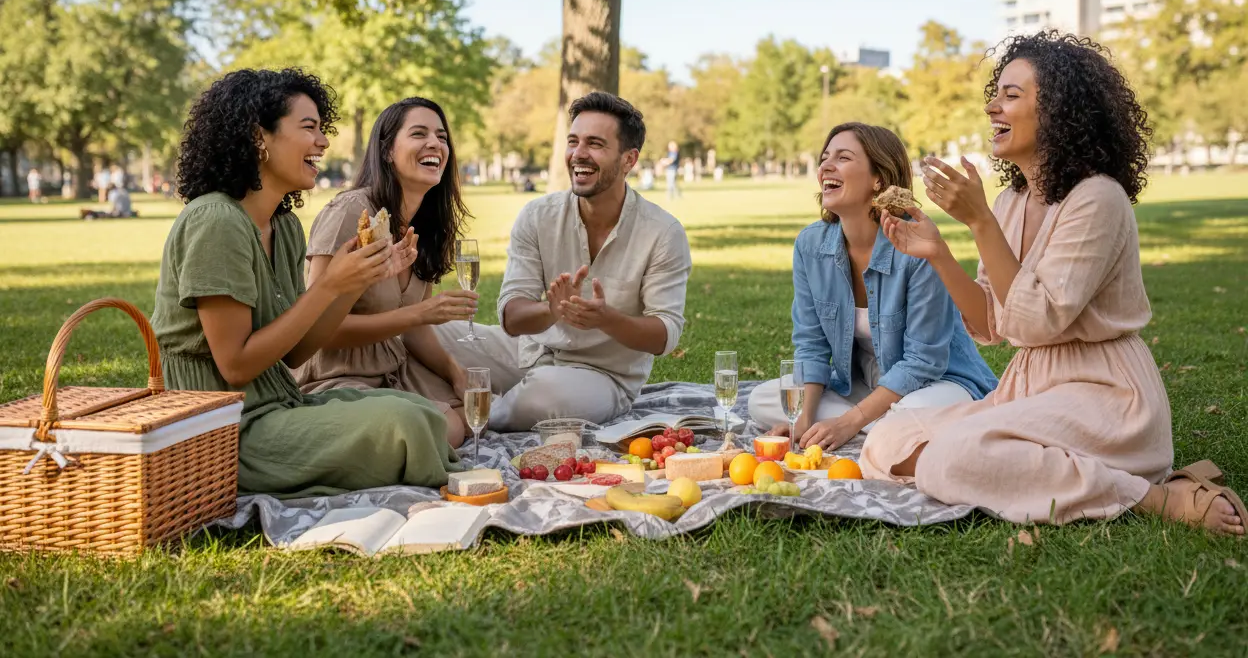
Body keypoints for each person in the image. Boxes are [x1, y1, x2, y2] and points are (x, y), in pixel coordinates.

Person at [861, 31, 1244, 535]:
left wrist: (979, 223)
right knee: (885, 442)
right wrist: (938, 251)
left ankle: (1153, 496)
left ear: (1059, 110)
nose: (993, 107)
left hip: (1104, 392)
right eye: (995, 95)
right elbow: (992, 325)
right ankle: (1039, 470)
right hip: (1030, 385)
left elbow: (1039, 321)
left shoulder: (1097, 199)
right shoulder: (1009, 203)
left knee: (951, 459)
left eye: (1011, 95)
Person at [150, 68, 463, 498]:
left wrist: (355, 279)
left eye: (322, 129)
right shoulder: (216, 222)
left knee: (419, 412)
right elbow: (236, 365)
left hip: (281, 405)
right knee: (406, 426)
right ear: (260, 137)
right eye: (309, 128)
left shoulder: (284, 227)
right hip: (225, 432)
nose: (323, 142)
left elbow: (297, 351)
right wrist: (329, 286)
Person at [432, 92, 692, 431]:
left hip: (602, 377)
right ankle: (469, 398)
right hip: (529, 353)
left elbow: (664, 335)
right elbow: (512, 316)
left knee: (543, 396)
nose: (578, 154)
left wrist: (605, 318)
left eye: (595, 144)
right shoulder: (538, 216)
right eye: (573, 141)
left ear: (629, 160)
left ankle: (469, 416)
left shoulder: (663, 233)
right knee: (426, 332)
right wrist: (551, 311)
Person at [748, 123, 997, 450]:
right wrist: (803, 422)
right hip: (866, 386)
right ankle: (882, 428)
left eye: (843, 157)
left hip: (938, 383)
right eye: (825, 158)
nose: (826, 166)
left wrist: (849, 422)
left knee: (911, 413)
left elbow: (924, 362)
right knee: (762, 400)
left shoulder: (915, 245)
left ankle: (870, 425)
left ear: (878, 179)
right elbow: (811, 343)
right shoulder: (810, 245)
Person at [294, 98, 478, 446]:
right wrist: (418, 313)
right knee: (443, 428)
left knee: (476, 414)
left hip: (393, 370)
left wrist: (455, 373)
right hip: (338, 373)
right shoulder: (352, 212)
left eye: (442, 137)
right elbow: (316, 330)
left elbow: (414, 330)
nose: (435, 144)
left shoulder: (425, 224)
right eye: (419, 134)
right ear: (388, 151)